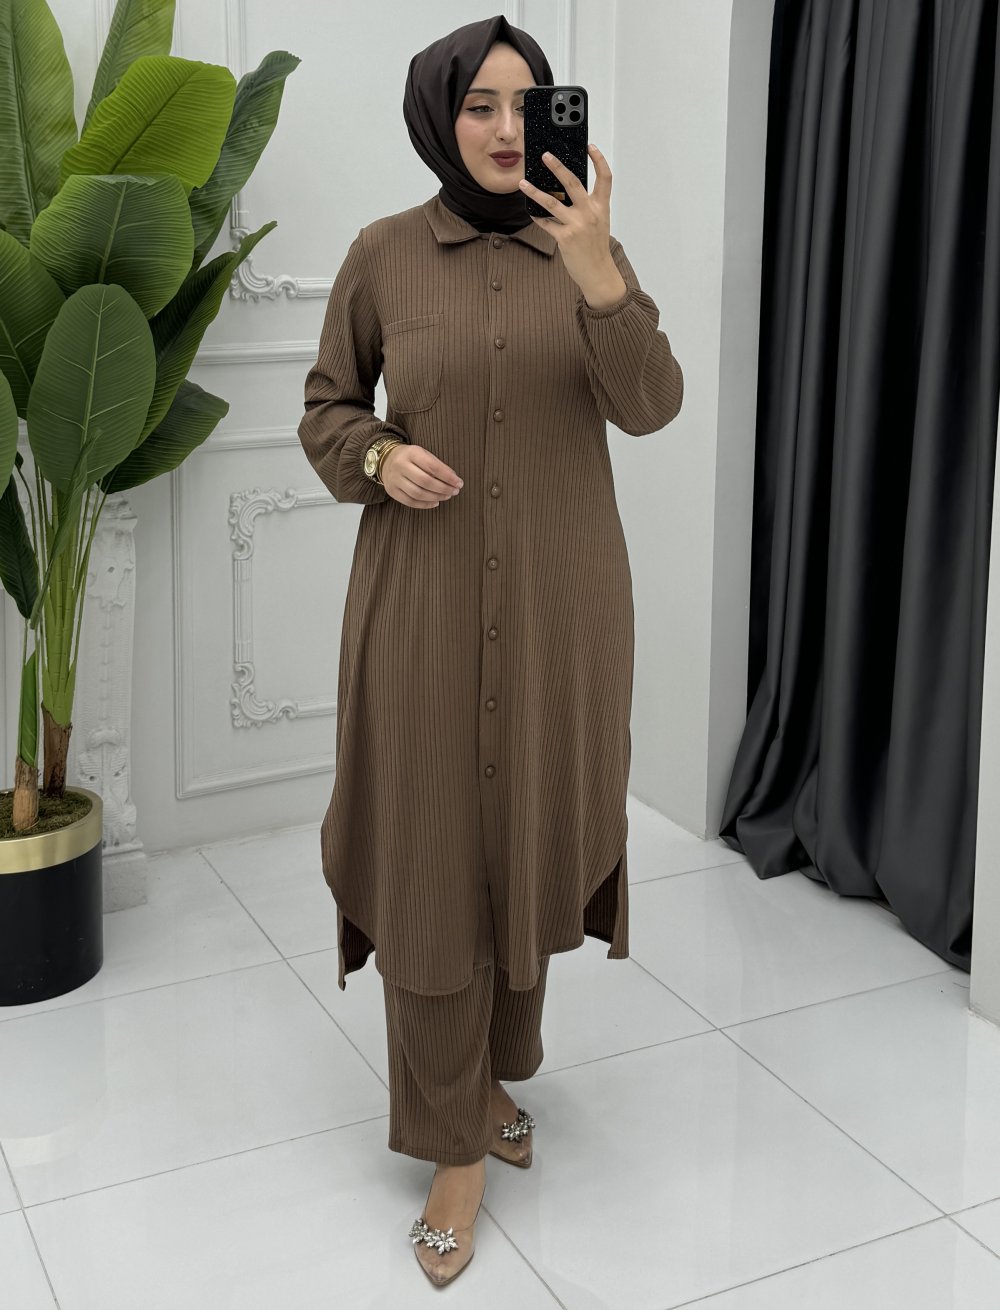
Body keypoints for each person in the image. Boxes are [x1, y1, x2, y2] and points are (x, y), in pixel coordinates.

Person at [297, 14, 683, 1288]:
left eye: (529, 102)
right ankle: (453, 1143)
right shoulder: (382, 253)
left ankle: (490, 1080)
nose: (509, 128)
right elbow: (326, 408)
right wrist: (376, 454)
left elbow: (651, 404)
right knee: (428, 856)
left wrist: (598, 274)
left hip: (567, 606)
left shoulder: (590, 249)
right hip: (422, 607)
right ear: (438, 116)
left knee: (523, 836)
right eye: (480, 105)